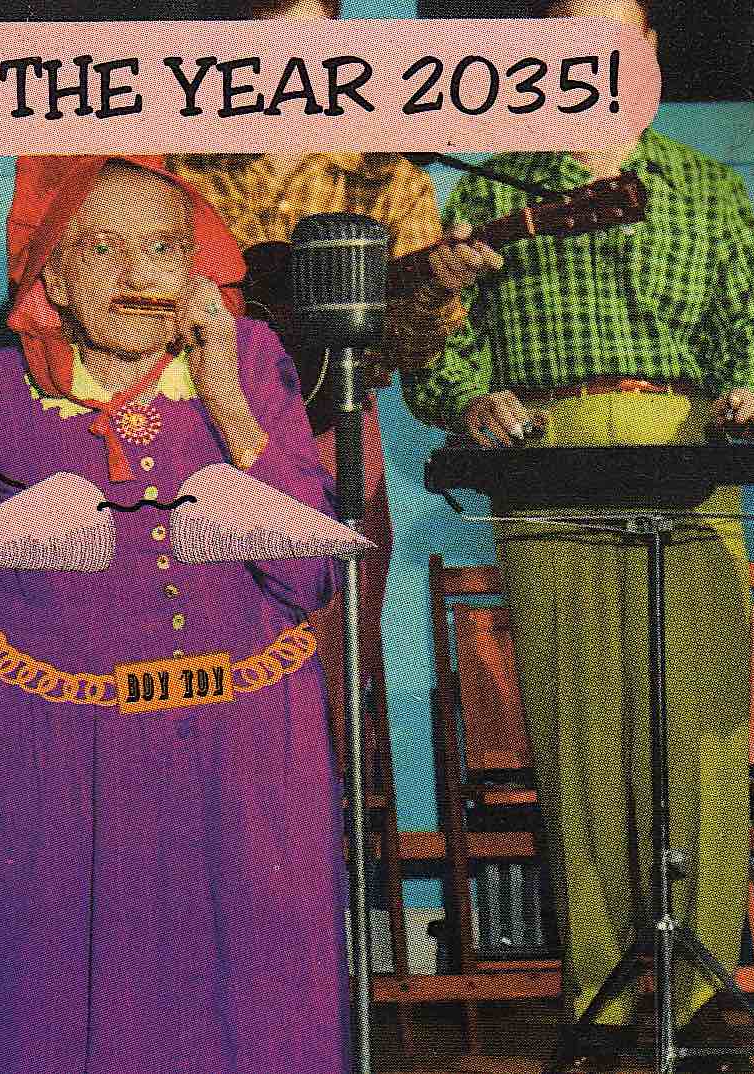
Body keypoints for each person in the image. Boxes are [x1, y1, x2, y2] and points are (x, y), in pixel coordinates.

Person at [0, 155, 346, 1074]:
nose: (137, 275)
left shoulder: (253, 364)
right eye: (102, 248)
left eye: (163, 248)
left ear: (196, 268)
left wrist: (229, 405)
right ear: (51, 276)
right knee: (60, 1028)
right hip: (56, 773)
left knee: (256, 1028)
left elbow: (311, 575)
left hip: (244, 762)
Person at [401, 2, 754, 1070]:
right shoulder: (487, 191)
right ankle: (602, 998)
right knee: (578, 731)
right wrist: (473, 399)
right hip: (548, 461)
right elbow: (434, 356)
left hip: (688, 449)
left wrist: (751, 390)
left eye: (619, 41)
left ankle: (698, 995)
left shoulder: (709, 187)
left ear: (650, 56)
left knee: (699, 728)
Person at [167, 0, 501, 862]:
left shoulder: (388, 180)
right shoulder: (179, 161)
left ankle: (310, 875)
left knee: (324, 666)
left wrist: (435, 288)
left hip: (335, 438)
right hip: (188, 436)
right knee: (191, 661)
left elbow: (411, 351)